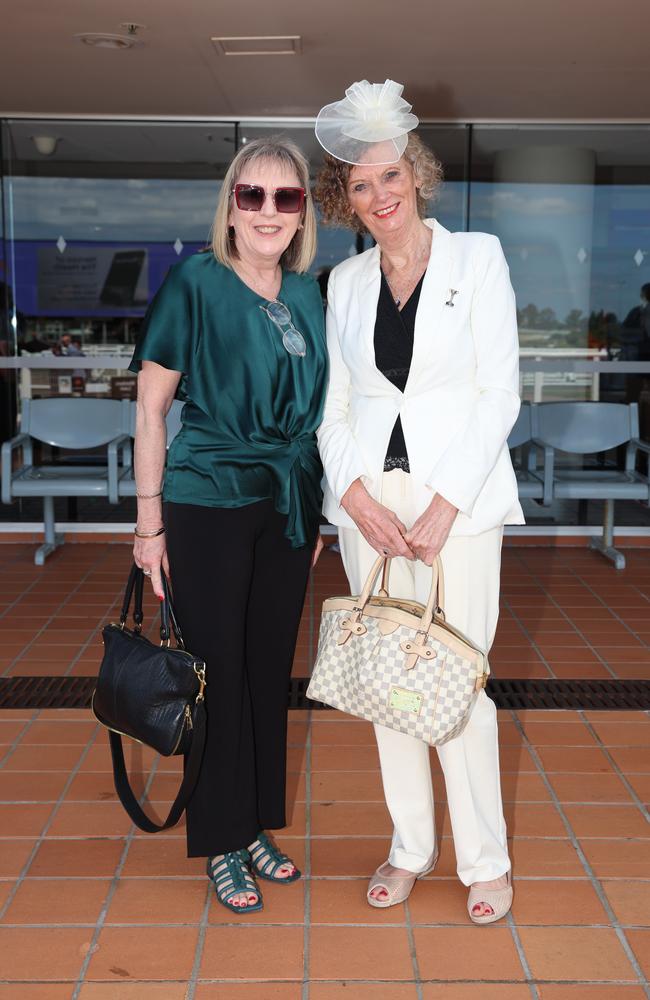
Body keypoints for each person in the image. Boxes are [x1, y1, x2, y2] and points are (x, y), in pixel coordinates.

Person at [314, 80, 524, 923]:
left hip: (456, 508)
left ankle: (484, 860)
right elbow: (332, 409)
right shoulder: (346, 284)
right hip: (373, 509)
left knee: (457, 682)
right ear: (347, 199)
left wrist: (443, 504)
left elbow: (498, 395)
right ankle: (410, 848)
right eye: (360, 185)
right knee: (385, 682)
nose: (379, 195)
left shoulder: (479, 259)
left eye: (390, 174)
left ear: (417, 173)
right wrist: (356, 497)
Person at [128, 137, 328, 914]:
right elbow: (150, 409)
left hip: (287, 502)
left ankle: (252, 826)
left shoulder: (311, 294)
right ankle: (218, 839)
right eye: (254, 196)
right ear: (232, 206)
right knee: (214, 674)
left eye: (287, 197)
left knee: (267, 670)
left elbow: (323, 419)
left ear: (302, 210)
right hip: (207, 496)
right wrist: (149, 527)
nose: (270, 212)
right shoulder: (195, 283)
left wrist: (317, 518)